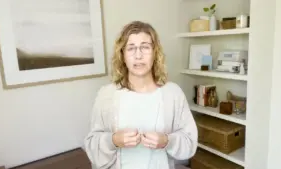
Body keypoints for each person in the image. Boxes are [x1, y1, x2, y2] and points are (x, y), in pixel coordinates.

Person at [84, 21, 198, 169]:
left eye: (145, 47)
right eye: (131, 48)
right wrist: (113, 140)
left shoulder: (173, 94)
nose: (138, 55)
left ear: (155, 52)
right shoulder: (106, 95)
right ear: (122, 55)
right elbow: (92, 145)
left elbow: (190, 142)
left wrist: (167, 141)